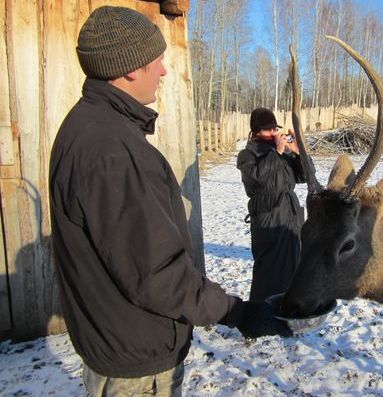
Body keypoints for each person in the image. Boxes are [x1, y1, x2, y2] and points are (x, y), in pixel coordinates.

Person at [48, 6, 290, 397]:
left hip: (122, 343)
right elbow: (156, 274)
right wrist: (236, 312)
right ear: (130, 68)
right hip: (136, 363)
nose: (163, 70)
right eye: (157, 60)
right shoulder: (111, 150)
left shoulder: (91, 128)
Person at [236, 108, 306, 301]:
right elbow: (257, 179)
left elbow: (305, 176)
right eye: (269, 129)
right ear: (256, 131)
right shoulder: (247, 154)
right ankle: (257, 317)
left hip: (290, 216)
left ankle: (285, 312)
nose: (274, 133)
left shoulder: (281, 151)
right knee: (267, 272)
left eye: (275, 128)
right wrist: (276, 153)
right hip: (268, 218)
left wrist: (299, 154)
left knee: (292, 268)